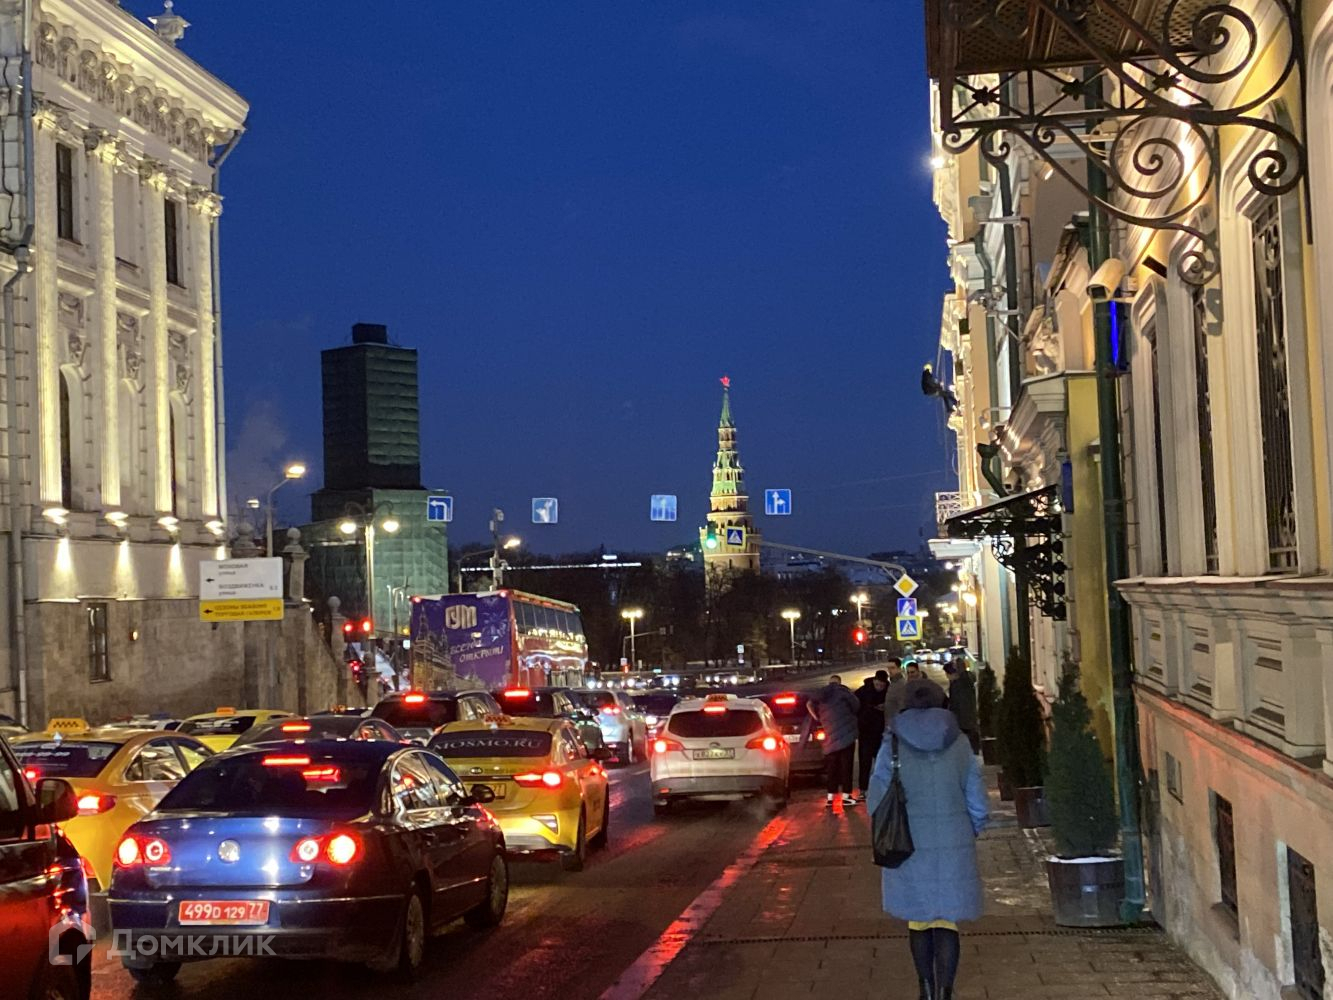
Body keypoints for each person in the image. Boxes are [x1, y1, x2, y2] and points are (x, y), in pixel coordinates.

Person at [868, 679, 988, 1000]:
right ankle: (946, 993)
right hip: (953, 841)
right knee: (946, 921)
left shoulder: (893, 743)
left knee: (919, 920)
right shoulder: (959, 742)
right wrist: (973, 827)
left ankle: (925, 990)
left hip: (908, 842)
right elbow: (976, 796)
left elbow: (876, 798)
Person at [807, 675, 862, 807]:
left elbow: (808, 704)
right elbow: (856, 706)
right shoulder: (844, 692)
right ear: (839, 682)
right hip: (847, 736)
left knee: (832, 768)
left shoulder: (822, 694)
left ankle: (830, 797)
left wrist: (817, 717)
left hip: (830, 736)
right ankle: (846, 796)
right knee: (846, 767)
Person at [854, 670, 890, 798]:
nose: (879, 687)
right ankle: (863, 789)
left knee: (882, 761)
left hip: (882, 732)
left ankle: (883, 787)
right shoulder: (863, 691)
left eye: (882, 685)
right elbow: (854, 706)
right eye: (878, 684)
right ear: (874, 681)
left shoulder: (889, 691)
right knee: (865, 761)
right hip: (866, 731)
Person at [944, 658, 980, 754]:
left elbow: (957, 703)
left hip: (963, 721)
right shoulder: (967, 680)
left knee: (966, 746)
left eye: (947, 674)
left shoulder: (958, 684)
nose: (947, 677)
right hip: (969, 719)